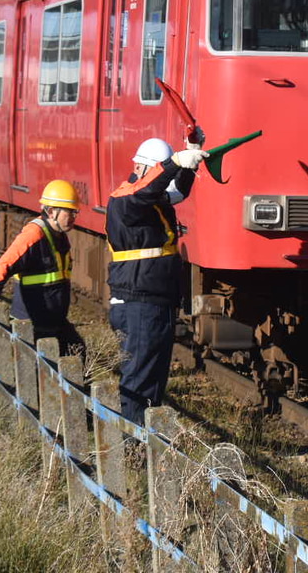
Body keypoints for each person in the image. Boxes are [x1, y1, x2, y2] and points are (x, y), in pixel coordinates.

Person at [106, 136, 207, 425]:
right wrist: (174, 163)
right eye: (152, 173)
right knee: (138, 376)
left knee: (153, 376)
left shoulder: (152, 201)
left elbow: (178, 191)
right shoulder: (125, 199)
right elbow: (149, 189)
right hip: (138, 301)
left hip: (154, 298)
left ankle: (146, 442)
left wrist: (189, 161)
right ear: (139, 168)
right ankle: (133, 445)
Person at [0, 180, 85, 354]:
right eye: (69, 212)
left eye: (75, 212)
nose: (73, 217)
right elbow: (5, 264)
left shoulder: (60, 234)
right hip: (32, 322)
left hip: (52, 319)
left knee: (77, 351)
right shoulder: (33, 235)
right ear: (51, 212)